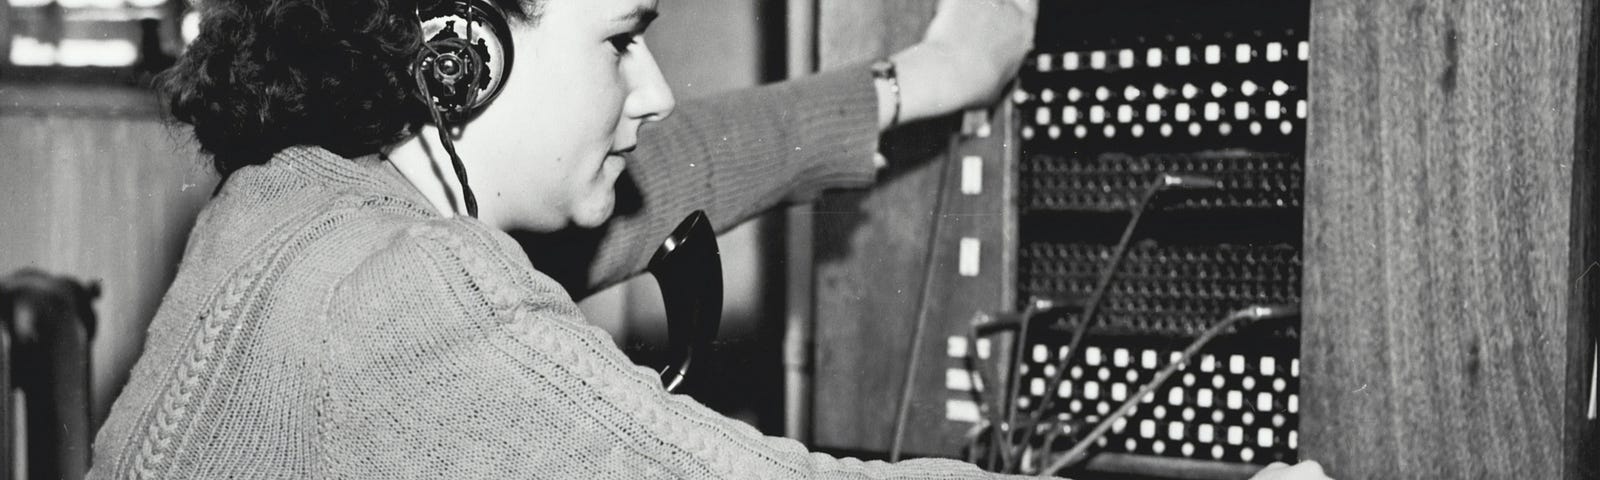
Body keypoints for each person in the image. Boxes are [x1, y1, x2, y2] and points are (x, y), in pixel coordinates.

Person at [86, 0, 1332, 478]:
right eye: (620, 38)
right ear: (453, 55)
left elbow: (678, 165)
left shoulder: (297, 204)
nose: (652, 89)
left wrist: (923, 79)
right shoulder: (403, 302)